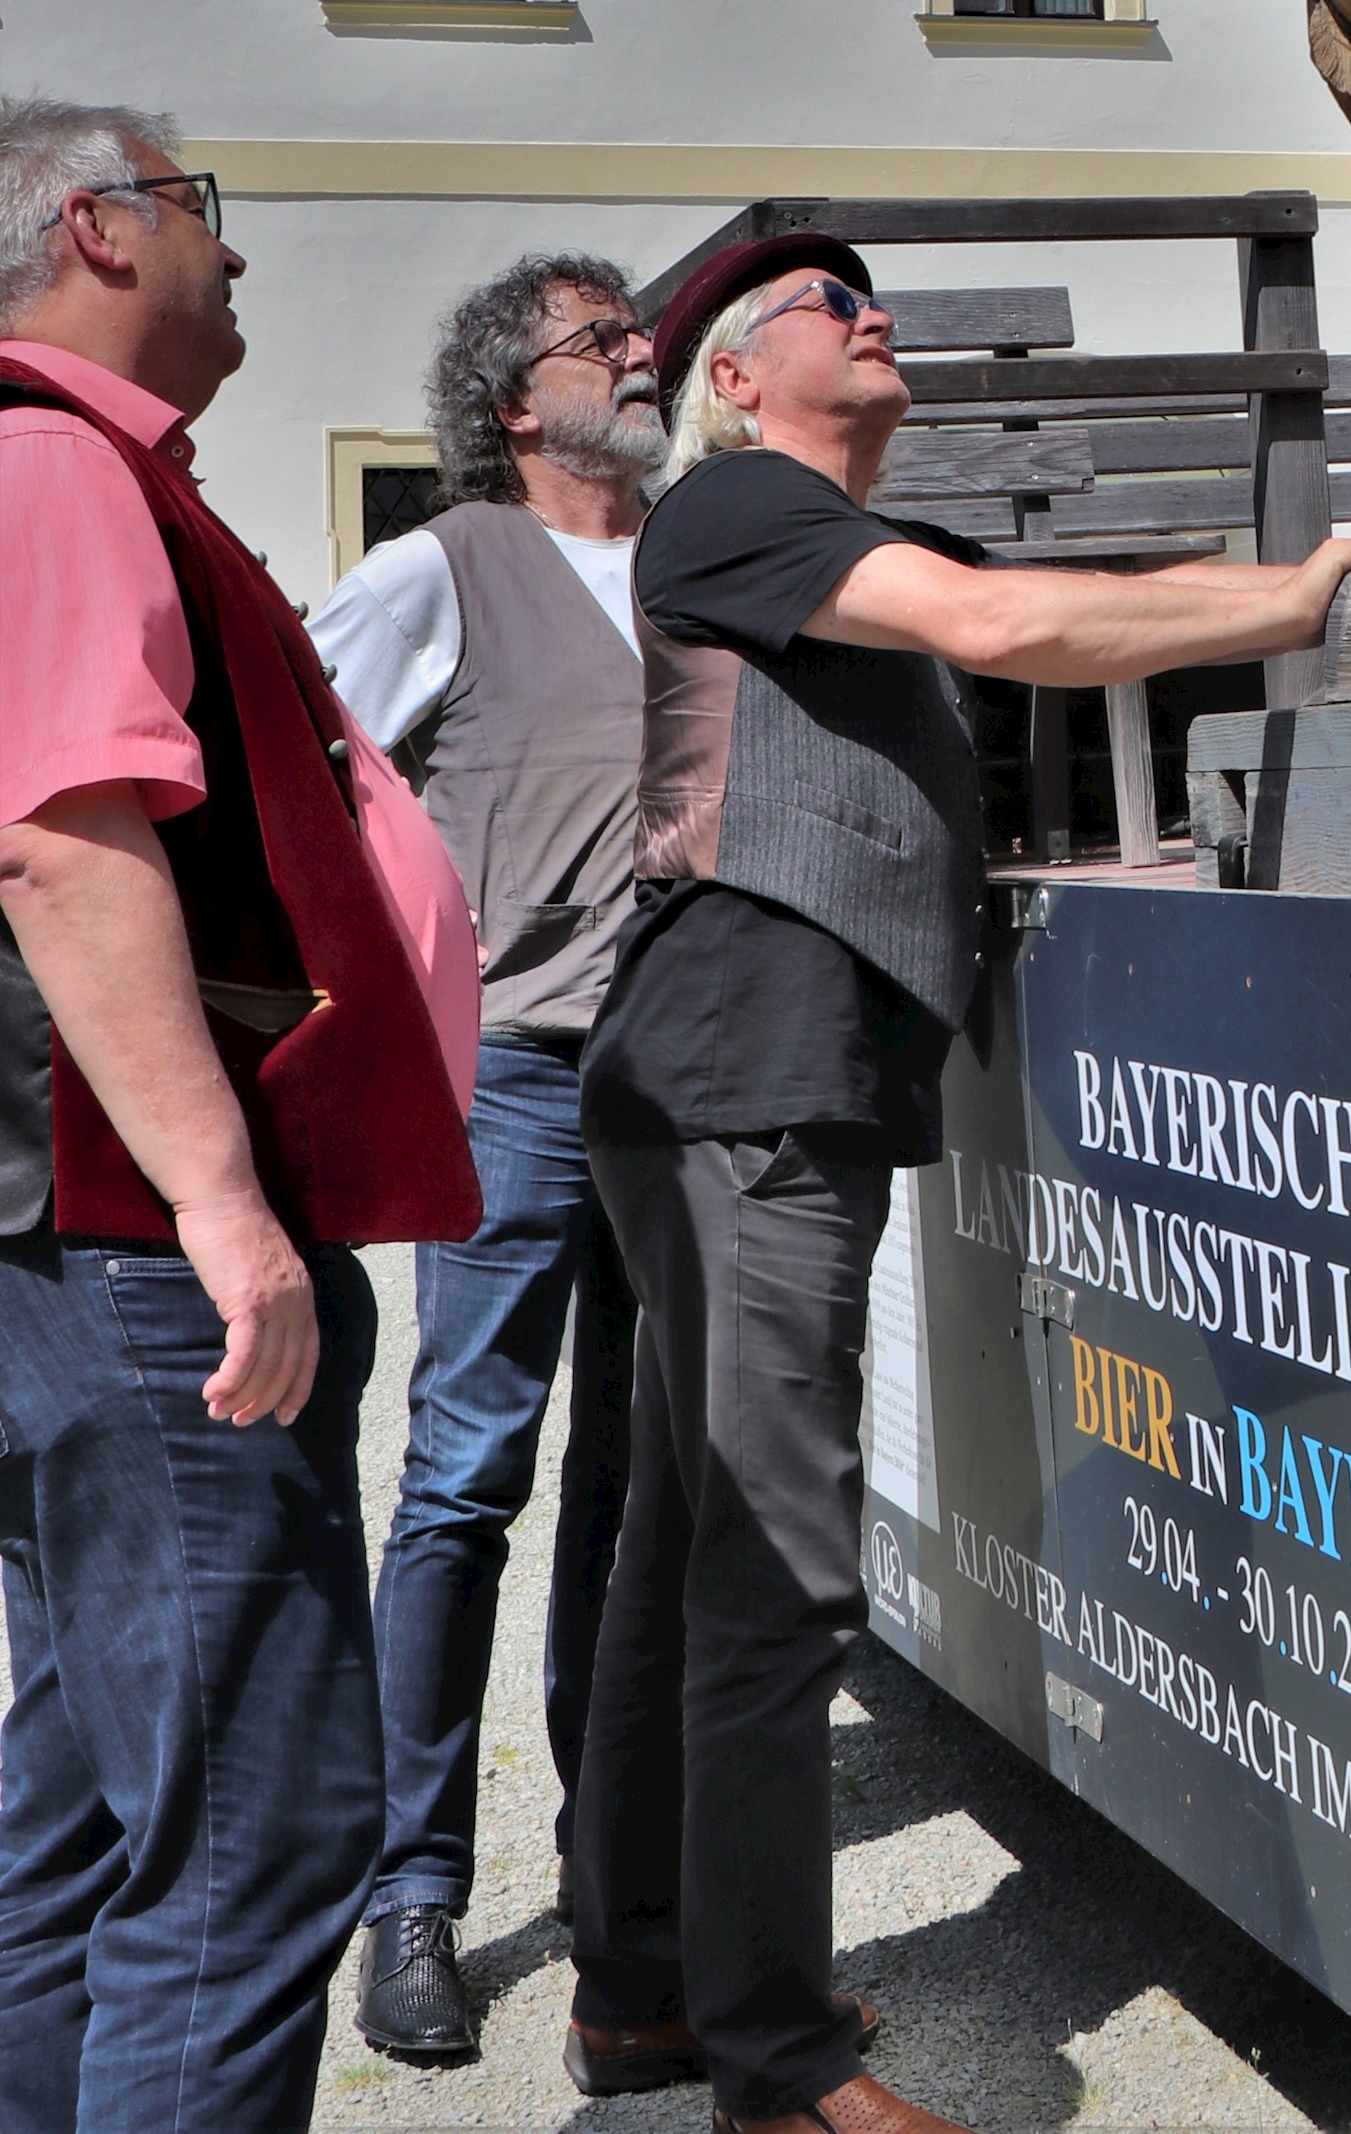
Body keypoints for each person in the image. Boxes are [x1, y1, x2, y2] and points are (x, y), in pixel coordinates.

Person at [565, 233, 1351, 2133]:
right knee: (772, 1571)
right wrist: (1308, 597)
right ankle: (777, 2067)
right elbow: (1021, 635)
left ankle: (650, 1987)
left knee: (684, 1545)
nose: (868, 308)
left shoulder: (832, 557)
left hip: (733, 1082)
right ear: (735, 380)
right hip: (753, 1079)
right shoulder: (738, 505)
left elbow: (1075, 608)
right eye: (824, 305)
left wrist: (1320, 577)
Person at [0, 101, 480, 2134]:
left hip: (77, 1250)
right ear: (99, 227)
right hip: (123, 1247)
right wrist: (219, 1200)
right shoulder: (49, 456)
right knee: (262, 1826)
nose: (235, 248)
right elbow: (56, 826)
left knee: (100, 1801)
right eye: (205, 208)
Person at [313, 256, 663, 2068]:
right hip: (520, 1083)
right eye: (605, 341)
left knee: (628, 1488)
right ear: (519, 402)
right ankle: (409, 1894)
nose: (642, 355)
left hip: (681, 1085)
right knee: (464, 1480)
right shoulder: (441, 564)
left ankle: (614, 1890)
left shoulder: (700, 562)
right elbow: (301, 765)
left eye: (638, 332)